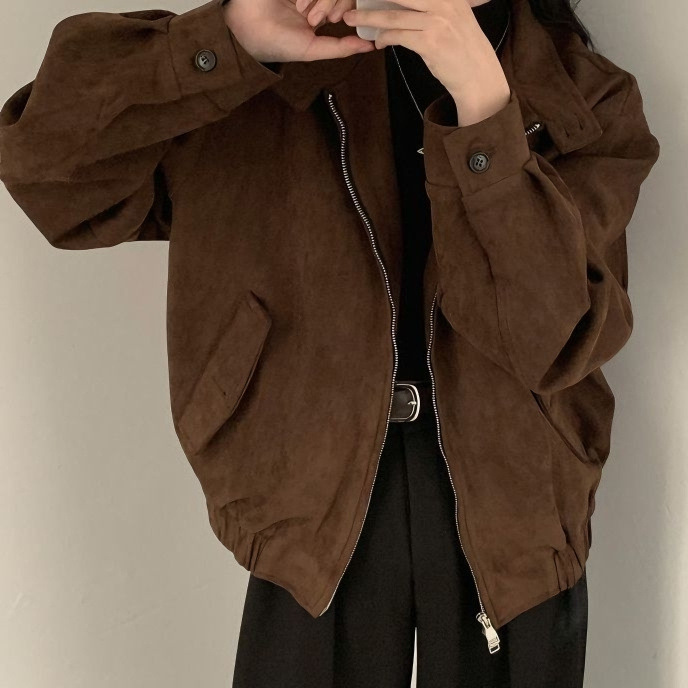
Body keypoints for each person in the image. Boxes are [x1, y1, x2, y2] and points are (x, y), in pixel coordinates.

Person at [0, 0, 660, 685]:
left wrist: (483, 106)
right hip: (306, 503)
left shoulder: (583, 98)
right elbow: (47, 176)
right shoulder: (271, 62)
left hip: (519, 516)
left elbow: (552, 340)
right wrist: (227, 38)